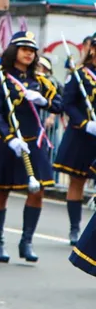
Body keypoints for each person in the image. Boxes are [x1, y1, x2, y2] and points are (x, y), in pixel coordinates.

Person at [0, 32, 61, 263]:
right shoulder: (1, 78)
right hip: (8, 143)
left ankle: (27, 241)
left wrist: (44, 101)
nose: (28, 53)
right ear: (14, 51)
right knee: (1, 191)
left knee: (38, 191)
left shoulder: (41, 81)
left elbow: (59, 104)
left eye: (32, 50)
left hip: (33, 142)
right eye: (24, 49)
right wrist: (9, 137)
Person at [53, 34, 96, 246]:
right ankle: (74, 228)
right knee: (77, 181)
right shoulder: (78, 75)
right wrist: (85, 123)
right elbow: (67, 104)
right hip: (82, 135)